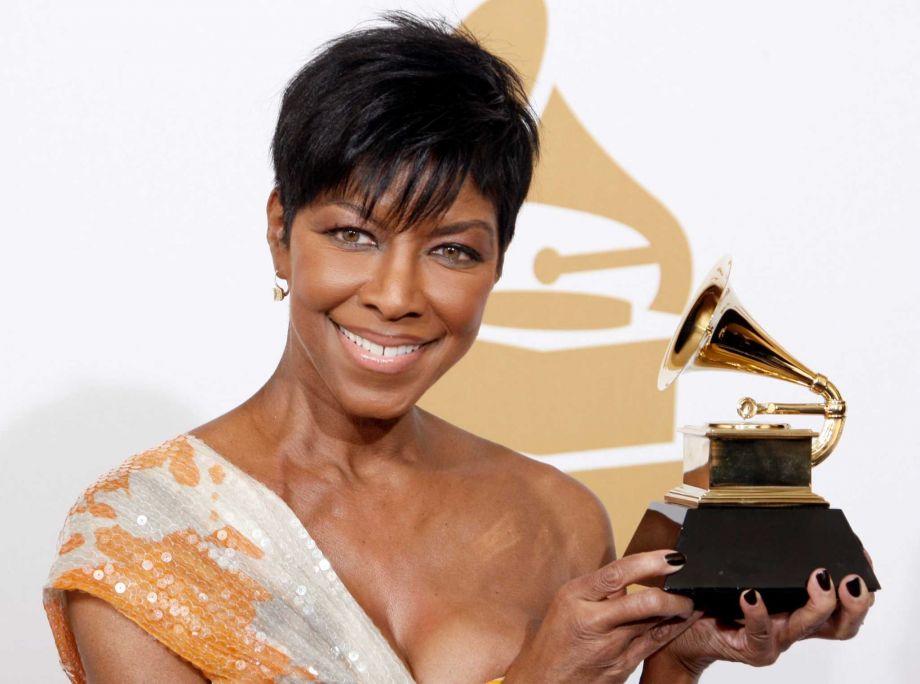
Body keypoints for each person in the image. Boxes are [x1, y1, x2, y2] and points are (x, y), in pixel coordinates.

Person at [43, 13, 873, 684]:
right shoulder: (143, 537)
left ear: (498, 266)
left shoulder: (557, 518)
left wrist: (676, 665)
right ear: (279, 234)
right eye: (353, 235)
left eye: (452, 251)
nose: (398, 296)